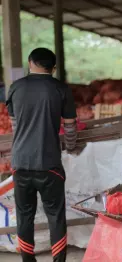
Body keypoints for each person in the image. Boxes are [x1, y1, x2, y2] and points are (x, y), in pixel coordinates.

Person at [7, 48, 78, 262]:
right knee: (55, 216)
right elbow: (70, 127)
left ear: (30, 63)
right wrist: (71, 147)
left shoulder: (16, 87)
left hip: (20, 163)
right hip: (49, 165)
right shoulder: (60, 89)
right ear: (53, 67)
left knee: (24, 215)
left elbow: (14, 126)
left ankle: (28, 261)